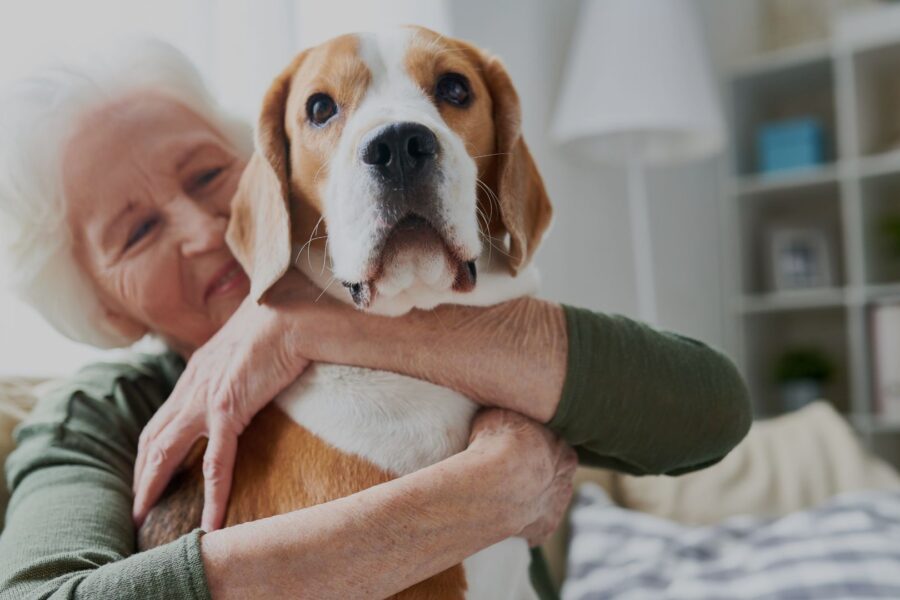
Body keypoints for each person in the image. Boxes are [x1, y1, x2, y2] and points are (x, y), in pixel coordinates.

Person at [0, 39, 751, 600]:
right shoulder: (98, 413)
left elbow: (712, 412)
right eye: (135, 233)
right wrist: (486, 494)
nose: (201, 229)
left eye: (207, 175)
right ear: (101, 302)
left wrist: (309, 326)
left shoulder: (420, 299)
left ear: (275, 178)